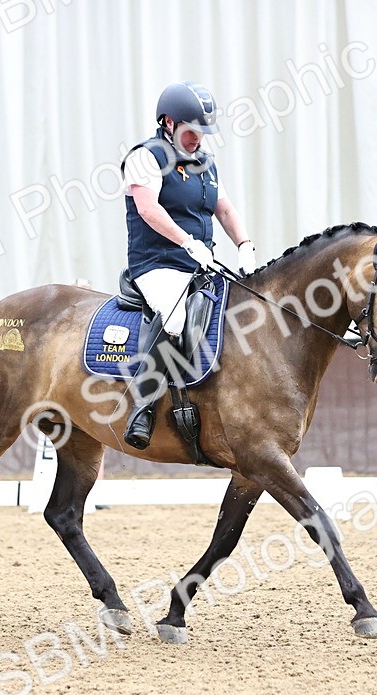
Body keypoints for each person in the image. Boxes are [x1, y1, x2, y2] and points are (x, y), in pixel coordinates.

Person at [121, 81, 256, 449]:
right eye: (191, 130)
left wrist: (244, 245)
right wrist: (187, 242)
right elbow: (148, 208)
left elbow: (224, 209)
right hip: (158, 263)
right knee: (176, 317)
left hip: (200, 265)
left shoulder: (207, 164)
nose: (198, 138)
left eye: (202, 131)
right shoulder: (145, 157)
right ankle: (143, 406)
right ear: (168, 122)